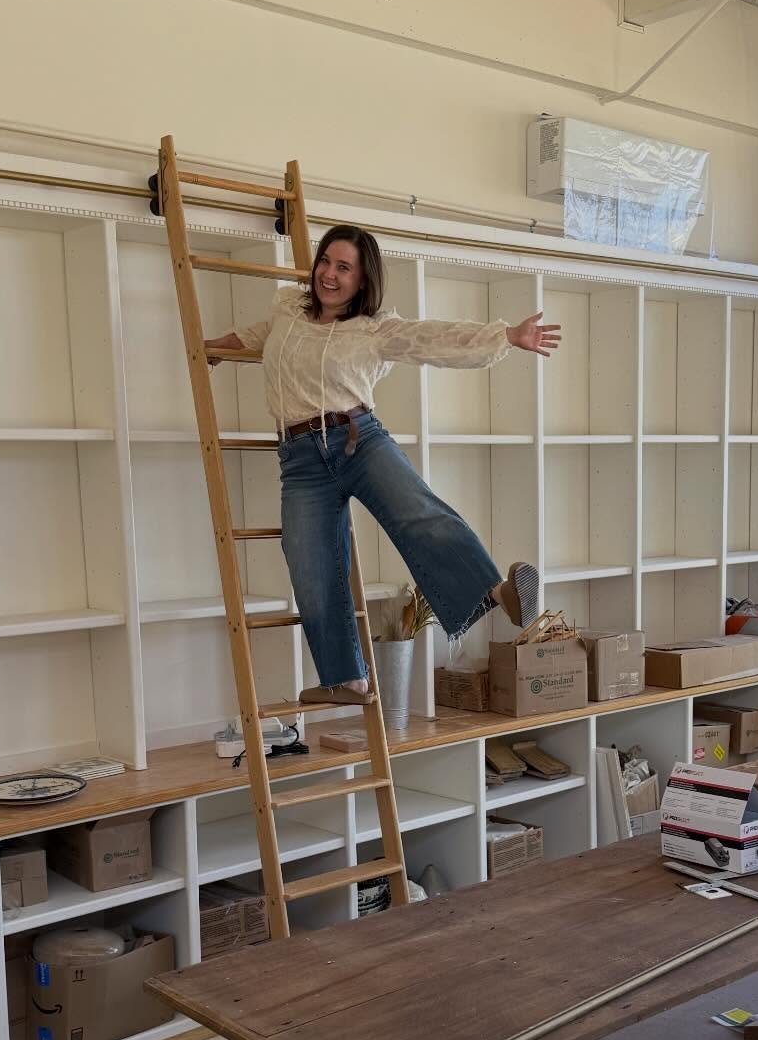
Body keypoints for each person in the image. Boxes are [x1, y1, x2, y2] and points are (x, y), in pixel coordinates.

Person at [219, 224, 561, 706]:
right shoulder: (286, 309)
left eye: (344, 268)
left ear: (363, 280)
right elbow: (261, 336)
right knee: (308, 562)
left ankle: (495, 590)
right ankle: (347, 679)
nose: (330, 275)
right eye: (326, 262)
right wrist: (215, 348)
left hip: (358, 439)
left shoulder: (375, 329)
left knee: (417, 512)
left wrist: (505, 335)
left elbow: (435, 339)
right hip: (300, 460)